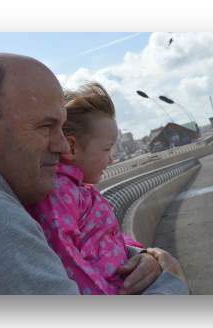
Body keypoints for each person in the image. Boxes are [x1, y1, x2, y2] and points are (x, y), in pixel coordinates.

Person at [0, 53, 188, 294]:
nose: (62, 146)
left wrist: (144, 256)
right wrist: (170, 279)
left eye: (62, 127)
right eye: (46, 127)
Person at [26, 82, 188, 294]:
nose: (111, 159)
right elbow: (66, 257)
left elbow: (110, 237)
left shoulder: (80, 190)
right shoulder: (60, 193)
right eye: (106, 149)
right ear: (72, 147)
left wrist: (141, 251)